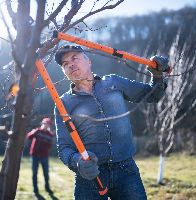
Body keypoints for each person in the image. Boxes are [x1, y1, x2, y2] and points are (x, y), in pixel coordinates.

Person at [54, 45, 170, 199]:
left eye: (74, 58)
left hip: (126, 171)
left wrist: (157, 75)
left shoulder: (114, 82)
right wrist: (78, 162)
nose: (71, 65)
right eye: (65, 64)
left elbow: (152, 95)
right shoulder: (63, 103)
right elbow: (64, 148)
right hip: (90, 177)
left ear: (88, 61)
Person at [27, 117, 55, 195]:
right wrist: (33, 132)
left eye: (48, 124)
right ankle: (35, 190)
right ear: (42, 124)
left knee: (46, 173)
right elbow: (29, 137)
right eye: (45, 124)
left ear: (49, 125)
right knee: (34, 173)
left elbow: (50, 146)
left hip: (44, 156)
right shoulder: (37, 131)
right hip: (34, 155)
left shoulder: (50, 135)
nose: (46, 125)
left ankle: (47, 188)